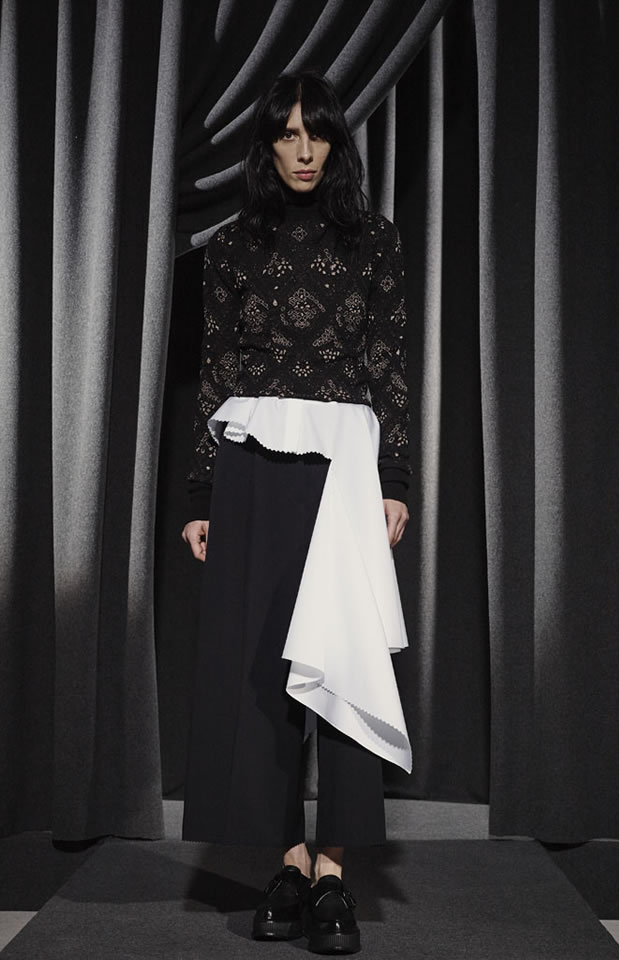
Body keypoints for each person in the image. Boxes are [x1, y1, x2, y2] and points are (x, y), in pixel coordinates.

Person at [180, 70, 412, 955]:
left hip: (344, 471)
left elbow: (389, 366)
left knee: (341, 658)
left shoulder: (375, 242)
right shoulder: (233, 247)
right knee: (261, 671)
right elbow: (217, 369)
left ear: (336, 142)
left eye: (316, 133)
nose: (304, 150)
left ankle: (333, 872)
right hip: (251, 468)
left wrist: (396, 479)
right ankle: (284, 862)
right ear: (268, 146)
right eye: (287, 134)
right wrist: (203, 492)